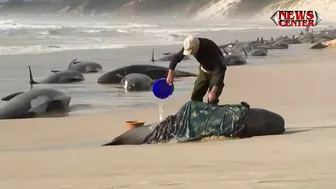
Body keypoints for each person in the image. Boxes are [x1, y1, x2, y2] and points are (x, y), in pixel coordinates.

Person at [166, 35, 228, 105]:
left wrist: (214, 90)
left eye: (191, 51)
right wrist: (170, 72)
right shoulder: (190, 44)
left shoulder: (209, 49)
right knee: (195, 97)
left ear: (196, 46)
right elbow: (176, 58)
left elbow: (220, 69)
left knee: (212, 99)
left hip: (217, 71)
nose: (190, 53)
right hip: (204, 69)